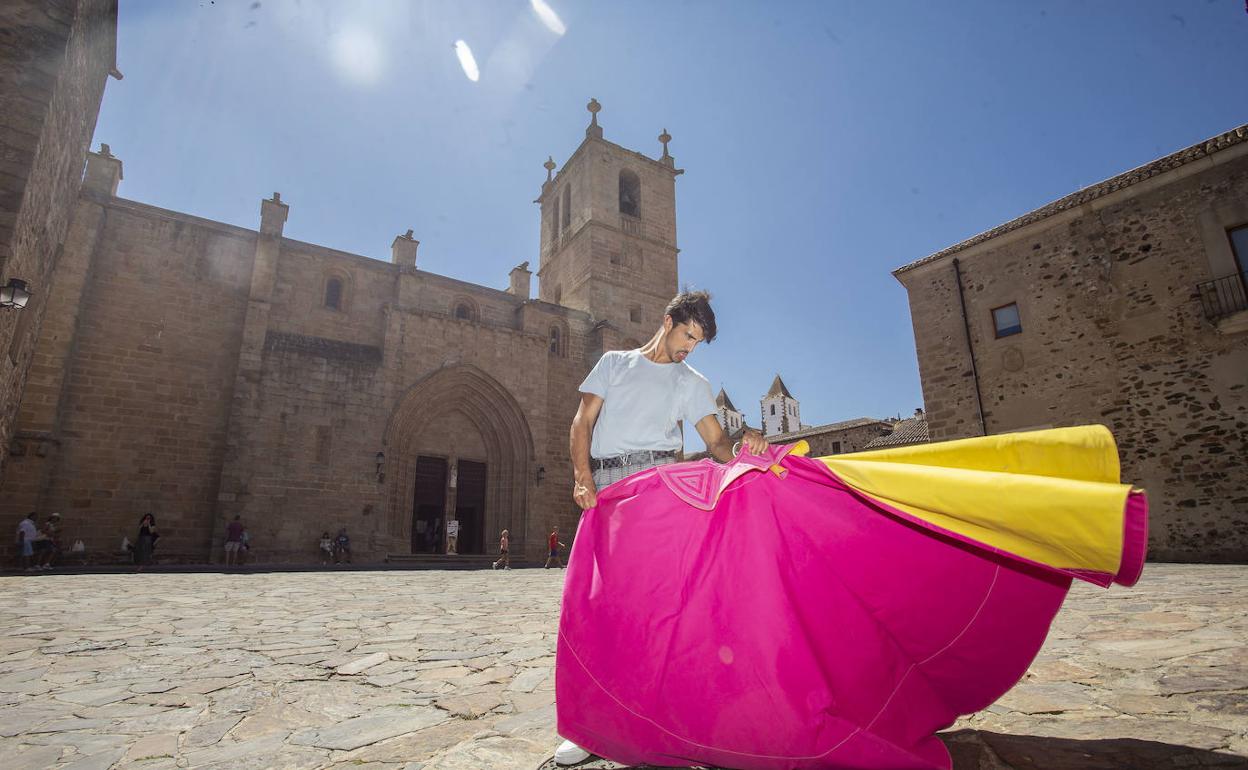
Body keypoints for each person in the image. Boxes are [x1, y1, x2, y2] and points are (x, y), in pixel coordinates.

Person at [555, 290, 767, 765]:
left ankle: (665, 717)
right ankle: (590, 728)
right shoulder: (614, 363)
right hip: (608, 483)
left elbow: (716, 442)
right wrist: (581, 476)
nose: (689, 347)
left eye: (698, 341)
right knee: (600, 603)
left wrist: (745, 445)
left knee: (655, 605)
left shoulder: (691, 381)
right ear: (668, 321)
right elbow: (582, 420)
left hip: (657, 483)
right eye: (687, 335)